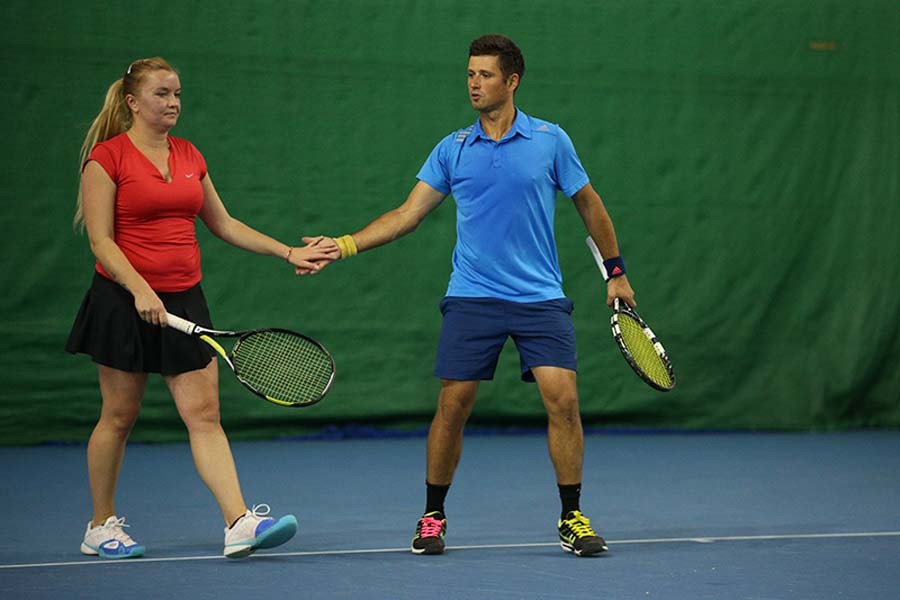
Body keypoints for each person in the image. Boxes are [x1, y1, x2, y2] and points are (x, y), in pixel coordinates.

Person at [300, 34, 636, 556]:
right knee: (453, 405)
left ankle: (572, 515)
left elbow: (590, 205)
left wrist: (615, 272)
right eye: (470, 75)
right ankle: (432, 515)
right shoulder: (452, 148)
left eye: (485, 75)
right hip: (473, 296)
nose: (474, 84)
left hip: (540, 297)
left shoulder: (550, 140)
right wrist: (343, 245)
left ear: (512, 81)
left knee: (564, 400)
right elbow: (405, 215)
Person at [66, 57, 339, 559]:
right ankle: (100, 525)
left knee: (205, 415)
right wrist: (139, 289)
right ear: (132, 102)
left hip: (184, 299)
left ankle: (238, 522)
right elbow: (102, 240)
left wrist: (287, 252)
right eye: (161, 94)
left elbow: (225, 224)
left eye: (177, 94)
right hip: (122, 298)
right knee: (120, 416)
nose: (173, 103)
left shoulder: (190, 154)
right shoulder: (107, 158)